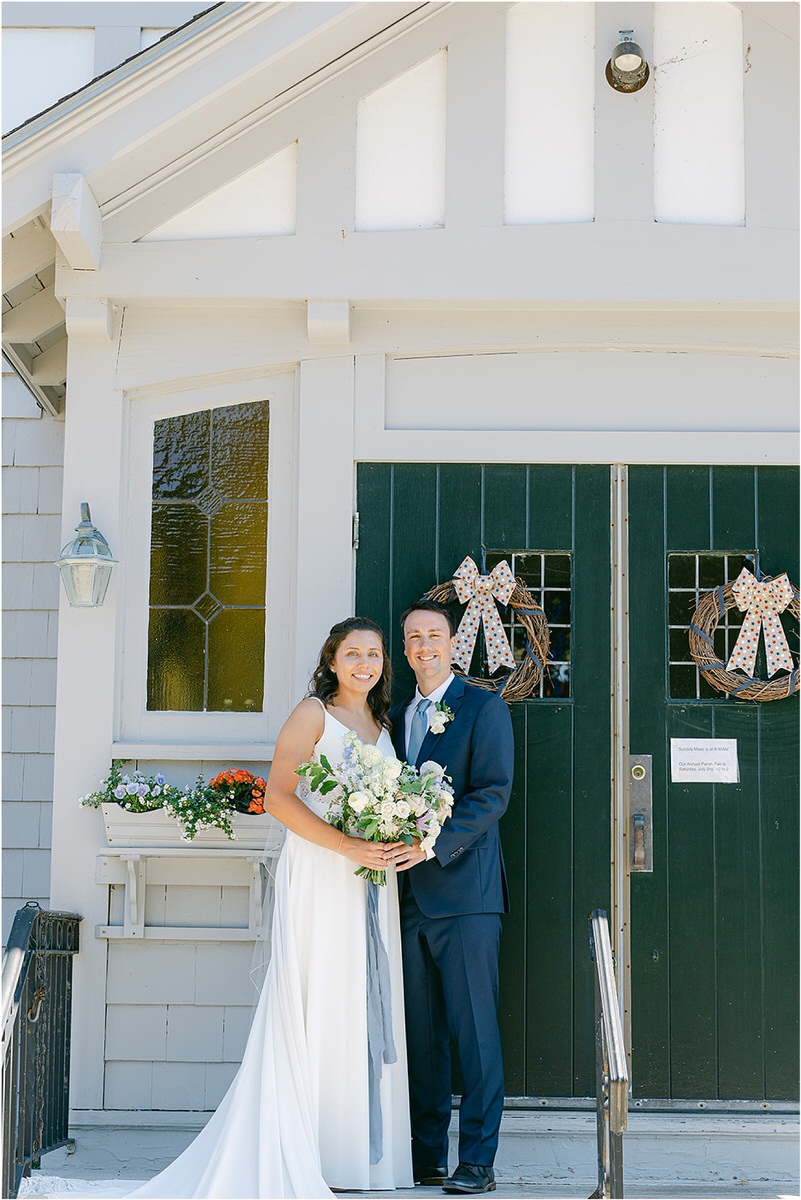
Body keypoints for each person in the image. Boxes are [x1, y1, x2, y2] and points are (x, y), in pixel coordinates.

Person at [121, 617, 413, 1198]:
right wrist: (348, 844)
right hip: (323, 871)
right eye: (352, 653)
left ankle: (358, 1155)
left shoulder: (381, 723)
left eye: (374, 654)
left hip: (371, 880)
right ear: (332, 660)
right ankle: (312, 1150)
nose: (364, 663)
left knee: (362, 998)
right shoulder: (312, 715)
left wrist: (407, 836)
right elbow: (277, 797)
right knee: (322, 995)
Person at [384, 599, 514, 1197]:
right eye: (413, 638)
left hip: (465, 894)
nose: (424, 647)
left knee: (474, 1031)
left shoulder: (483, 707)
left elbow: (491, 795)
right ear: (405, 647)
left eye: (434, 635)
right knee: (422, 1033)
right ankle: (427, 1154)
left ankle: (478, 1161)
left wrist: (431, 847)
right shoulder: (394, 716)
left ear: (455, 642)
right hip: (403, 897)